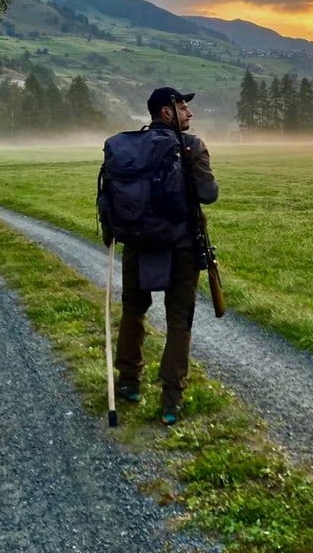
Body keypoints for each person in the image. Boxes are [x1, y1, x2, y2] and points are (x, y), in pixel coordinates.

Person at [114, 86, 219, 425]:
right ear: (165, 113)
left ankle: (129, 384)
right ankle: (171, 400)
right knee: (179, 320)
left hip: (137, 244)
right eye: (183, 107)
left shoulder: (129, 148)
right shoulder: (192, 146)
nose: (189, 114)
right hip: (181, 246)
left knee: (133, 311)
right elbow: (208, 195)